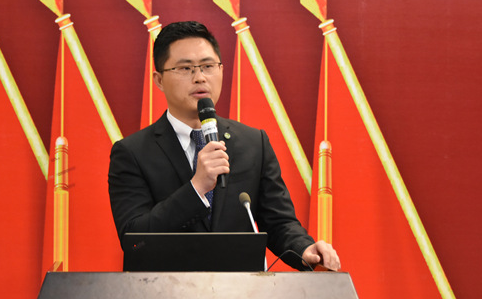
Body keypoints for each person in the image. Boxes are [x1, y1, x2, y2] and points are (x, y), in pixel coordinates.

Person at [108, 21, 340, 271]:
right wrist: (197, 188)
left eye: (208, 66)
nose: (200, 77)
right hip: (164, 291)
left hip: (242, 292)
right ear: (159, 80)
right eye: (185, 68)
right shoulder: (132, 153)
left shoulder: (254, 143)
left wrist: (305, 249)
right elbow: (134, 240)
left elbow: (279, 223)